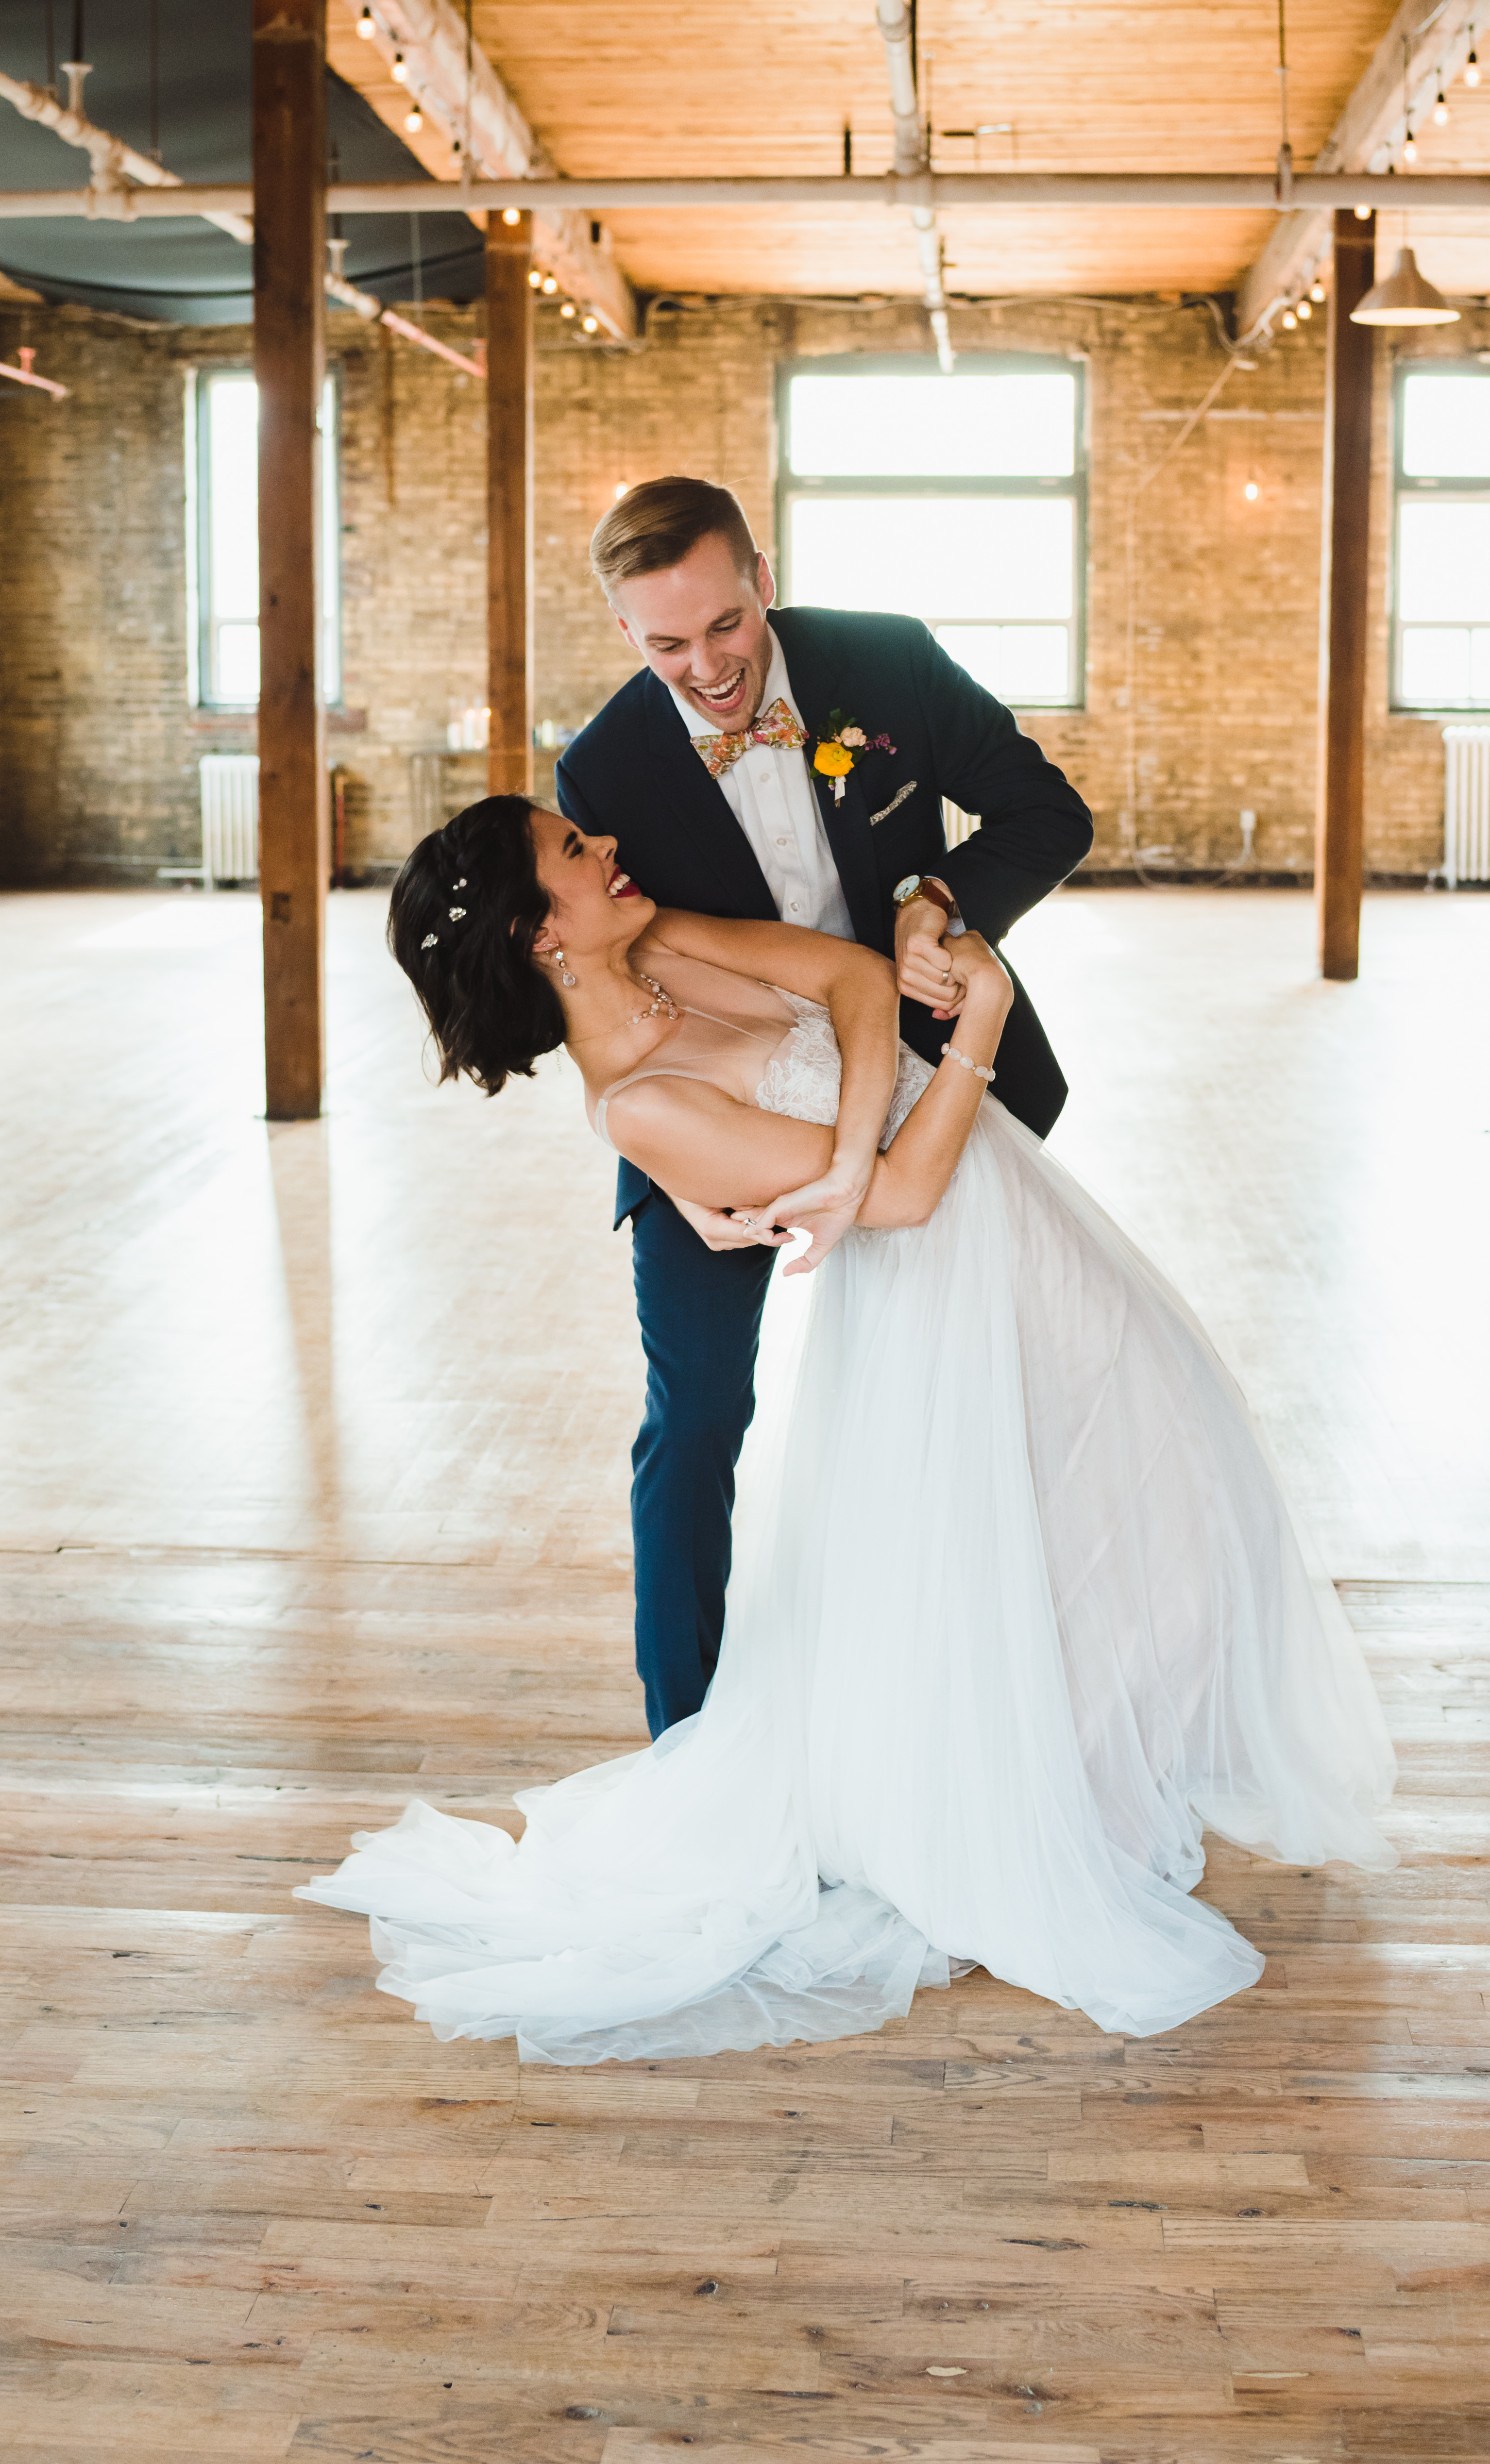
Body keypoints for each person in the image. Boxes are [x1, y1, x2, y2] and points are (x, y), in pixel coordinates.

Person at [298, 794, 1398, 2064]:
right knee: (1135, 1480)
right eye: (575, 854)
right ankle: (1046, 1796)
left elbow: (853, 980)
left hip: (1016, 1209)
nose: (611, 848)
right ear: (544, 935)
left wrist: (859, 1130)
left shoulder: (659, 941)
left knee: (1161, 1469)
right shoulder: (643, 1106)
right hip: (955, 1268)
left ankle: (1092, 1764)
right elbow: (910, 1194)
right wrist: (972, 1037)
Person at [552, 475, 1096, 1740]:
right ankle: (684, 1738)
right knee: (693, 1423)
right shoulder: (605, 766)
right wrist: (657, 1156)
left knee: (976, 1406)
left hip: (914, 1083)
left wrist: (939, 901)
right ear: (627, 636)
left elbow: (1045, 812)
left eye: (727, 626)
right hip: (726, 1110)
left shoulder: (883, 664)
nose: (706, 668)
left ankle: (973, 1709)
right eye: (666, 645)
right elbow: (587, 982)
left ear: (765, 578)